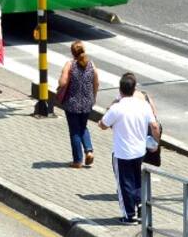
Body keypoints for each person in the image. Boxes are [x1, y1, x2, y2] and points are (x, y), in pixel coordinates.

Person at [99, 72, 159, 225]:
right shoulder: (144, 105)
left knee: (125, 184)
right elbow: (154, 125)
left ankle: (129, 215)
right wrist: (155, 144)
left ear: (120, 90)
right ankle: (140, 210)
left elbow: (102, 125)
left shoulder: (117, 108)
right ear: (134, 90)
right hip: (139, 151)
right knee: (137, 181)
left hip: (122, 152)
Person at [58, 41, 99, 168]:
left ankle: (77, 161)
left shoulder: (70, 65)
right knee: (83, 127)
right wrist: (93, 97)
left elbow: (63, 82)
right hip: (87, 103)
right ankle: (89, 151)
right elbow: (96, 83)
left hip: (72, 103)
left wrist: (59, 84)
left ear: (72, 52)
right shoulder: (91, 65)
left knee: (75, 131)